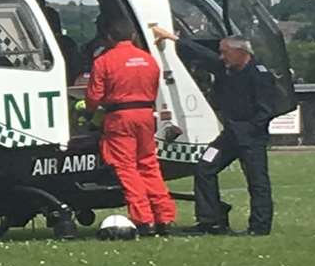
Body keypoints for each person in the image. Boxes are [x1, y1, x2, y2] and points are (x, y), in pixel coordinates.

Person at [151, 25, 287, 236]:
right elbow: (201, 53)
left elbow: (266, 109)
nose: (222, 57)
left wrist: (250, 130)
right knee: (204, 167)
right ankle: (210, 221)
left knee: (257, 182)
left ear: (241, 52)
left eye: (225, 53)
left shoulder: (260, 75)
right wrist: (171, 38)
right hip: (230, 137)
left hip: (251, 138)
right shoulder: (225, 68)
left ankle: (259, 227)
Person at [85, 15, 176, 235]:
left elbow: (93, 96)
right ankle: (165, 216)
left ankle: (143, 219)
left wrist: (89, 115)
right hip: (145, 114)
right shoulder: (148, 59)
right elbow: (154, 88)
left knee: (126, 168)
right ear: (133, 35)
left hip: (119, 117)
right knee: (149, 164)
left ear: (108, 37)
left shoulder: (104, 61)